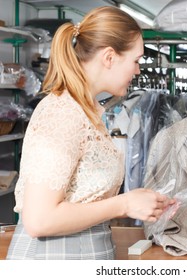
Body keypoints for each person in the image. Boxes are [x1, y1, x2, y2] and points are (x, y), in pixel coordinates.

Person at [6, 6, 174, 260]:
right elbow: (39, 219)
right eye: (136, 60)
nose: (138, 70)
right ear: (109, 57)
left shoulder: (87, 111)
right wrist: (125, 204)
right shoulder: (62, 113)